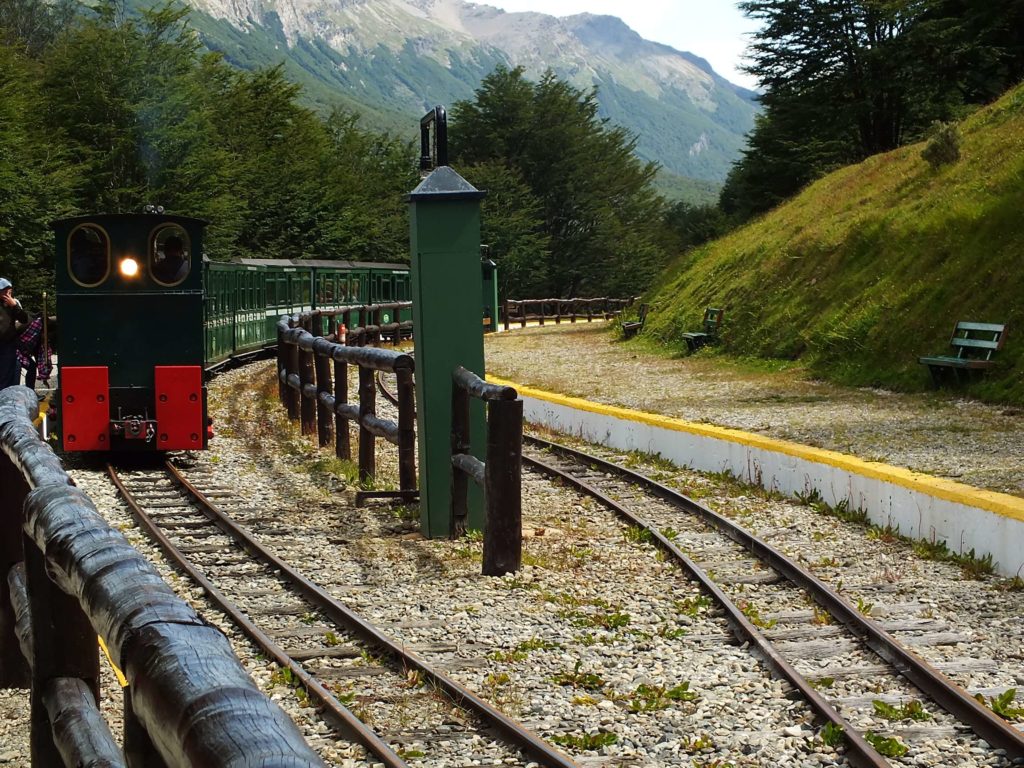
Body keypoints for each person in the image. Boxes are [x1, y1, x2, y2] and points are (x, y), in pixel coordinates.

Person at [0, 278, 29, 390]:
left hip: (8, 345)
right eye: (6, 292)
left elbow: (24, 319)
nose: (8, 294)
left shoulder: (12, 304)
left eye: (10, 292)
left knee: (7, 376)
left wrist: (14, 306)